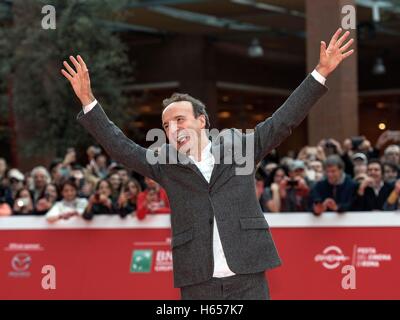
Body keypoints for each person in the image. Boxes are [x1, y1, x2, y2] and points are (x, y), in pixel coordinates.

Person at [62, 28, 354, 300]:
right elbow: (121, 148)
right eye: (166, 125)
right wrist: (88, 101)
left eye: (179, 120)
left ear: (201, 121)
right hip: (198, 281)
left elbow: (282, 121)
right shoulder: (165, 164)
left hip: (248, 276)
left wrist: (320, 73)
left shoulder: (241, 147)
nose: (173, 129)